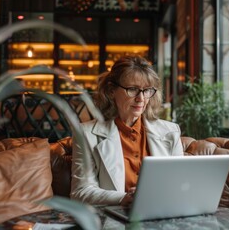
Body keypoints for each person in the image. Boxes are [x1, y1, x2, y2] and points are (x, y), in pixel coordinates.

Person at [70, 56, 184, 206]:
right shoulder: (86, 133)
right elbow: (81, 192)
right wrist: (124, 198)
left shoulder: (171, 131)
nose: (141, 98)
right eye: (133, 90)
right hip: (114, 219)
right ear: (112, 91)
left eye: (147, 90)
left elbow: (180, 185)